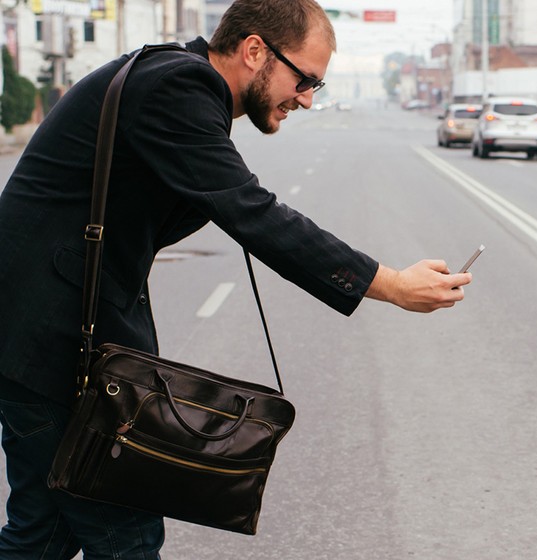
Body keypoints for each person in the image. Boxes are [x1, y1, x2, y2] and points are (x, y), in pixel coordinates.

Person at [0, 0, 471, 557]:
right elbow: (254, 213)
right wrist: (390, 283)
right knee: (125, 535)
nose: (306, 98)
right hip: (49, 341)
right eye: (305, 79)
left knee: (43, 532)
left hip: (40, 335)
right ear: (255, 51)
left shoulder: (175, 79)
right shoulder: (177, 87)